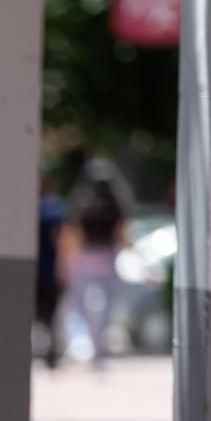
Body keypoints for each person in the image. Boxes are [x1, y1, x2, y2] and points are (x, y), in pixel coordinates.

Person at [66, 157, 133, 369]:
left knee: (80, 305)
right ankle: (99, 350)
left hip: (85, 259)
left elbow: (73, 234)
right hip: (107, 258)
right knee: (107, 308)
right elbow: (122, 234)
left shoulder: (81, 201)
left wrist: (68, 261)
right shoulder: (116, 203)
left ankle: (89, 343)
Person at [36, 172, 69, 368]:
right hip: (48, 271)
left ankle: (50, 350)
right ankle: (50, 350)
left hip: (43, 271)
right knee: (51, 315)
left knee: (46, 315)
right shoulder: (54, 207)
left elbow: (62, 239)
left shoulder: (46, 207)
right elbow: (63, 239)